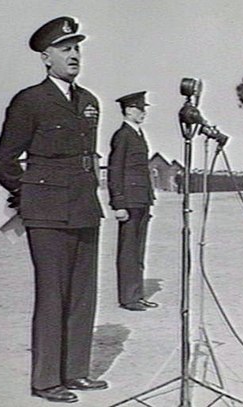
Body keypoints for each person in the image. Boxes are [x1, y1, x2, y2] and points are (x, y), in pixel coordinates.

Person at [0, 16, 108, 403]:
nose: (74, 55)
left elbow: (87, 159)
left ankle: (76, 372)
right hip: (47, 215)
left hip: (85, 210)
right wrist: (30, 198)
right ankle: (45, 381)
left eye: (77, 47)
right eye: (65, 48)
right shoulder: (29, 101)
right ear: (46, 57)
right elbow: (4, 162)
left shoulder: (90, 102)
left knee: (82, 295)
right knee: (52, 294)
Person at [107, 91, 158, 311]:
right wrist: (118, 203)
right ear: (129, 110)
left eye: (144, 109)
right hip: (129, 201)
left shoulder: (138, 134)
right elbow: (115, 170)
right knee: (128, 250)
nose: (144, 113)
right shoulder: (123, 135)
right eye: (140, 109)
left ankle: (137, 295)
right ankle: (128, 298)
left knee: (138, 250)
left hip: (141, 199)